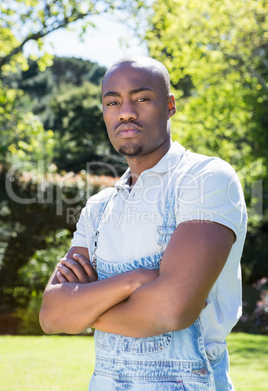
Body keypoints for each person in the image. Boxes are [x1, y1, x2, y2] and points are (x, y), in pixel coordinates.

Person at [39, 56, 247, 390]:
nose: (126, 112)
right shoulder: (99, 206)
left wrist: (85, 308)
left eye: (141, 98)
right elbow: (52, 315)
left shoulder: (205, 179)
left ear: (169, 106)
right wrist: (134, 281)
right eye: (113, 102)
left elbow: (171, 311)